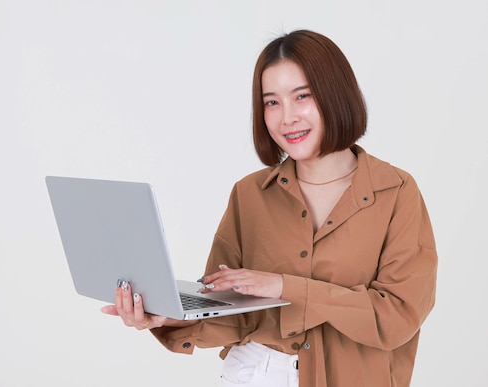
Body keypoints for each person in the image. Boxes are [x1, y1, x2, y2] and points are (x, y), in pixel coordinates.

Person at [101, 29, 437, 387]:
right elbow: (233, 312)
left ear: (336, 94)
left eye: (302, 96)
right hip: (253, 373)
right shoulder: (249, 194)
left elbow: (398, 317)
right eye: (271, 102)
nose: (286, 117)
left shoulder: (396, 192)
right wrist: (165, 318)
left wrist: (283, 286)